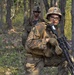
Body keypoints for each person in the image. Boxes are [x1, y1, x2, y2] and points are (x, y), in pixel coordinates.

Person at [25, 6, 68, 75]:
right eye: (52, 17)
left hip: (47, 57)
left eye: (57, 18)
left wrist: (58, 48)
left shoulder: (57, 30)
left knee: (65, 60)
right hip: (34, 59)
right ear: (48, 17)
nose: (55, 20)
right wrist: (47, 40)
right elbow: (29, 43)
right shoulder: (41, 26)